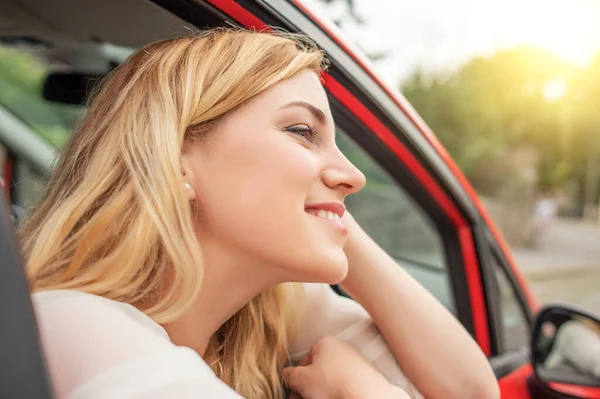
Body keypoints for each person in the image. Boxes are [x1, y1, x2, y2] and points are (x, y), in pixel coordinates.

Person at [19, 29, 499, 399]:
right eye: (301, 130)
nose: (355, 175)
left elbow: (470, 390)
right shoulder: (73, 324)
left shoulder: (266, 313)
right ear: (175, 155)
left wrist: (327, 210)